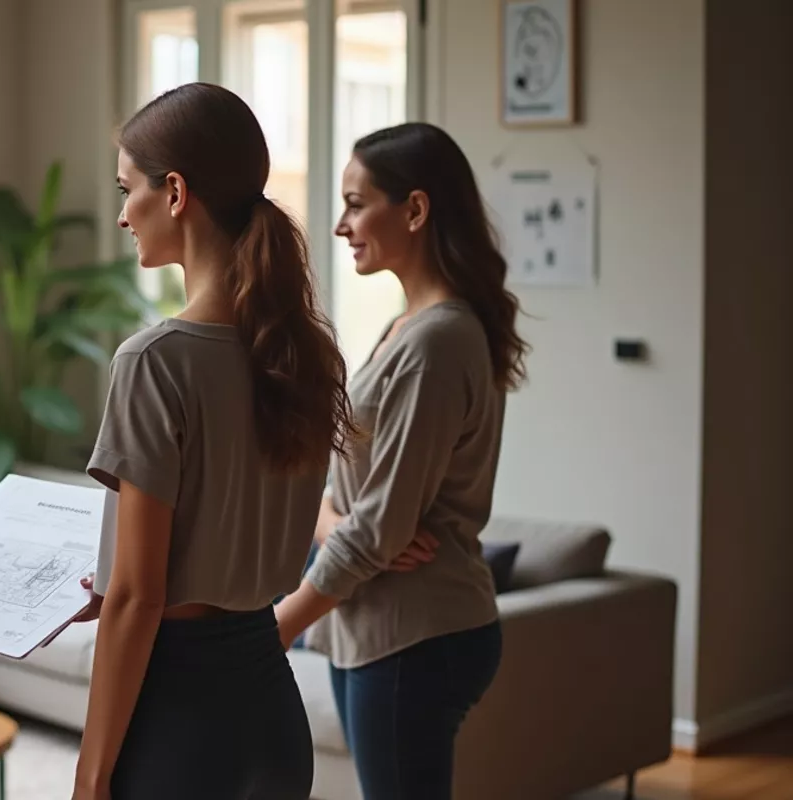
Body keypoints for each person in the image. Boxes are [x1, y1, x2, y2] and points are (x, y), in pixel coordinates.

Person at [70, 82, 354, 800]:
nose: (121, 213)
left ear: (174, 192)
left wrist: (90, 773)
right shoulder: (309, 357)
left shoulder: (154, 359)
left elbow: (138, 596)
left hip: (178, 725)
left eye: (125, 188)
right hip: (270, 711)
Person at [274, 121, 530, 800]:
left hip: (416, 633)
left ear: (415, 210)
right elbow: (348, 497)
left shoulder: (438, 342)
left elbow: (380, 525)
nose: (340, 224)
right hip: (376, 626)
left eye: (357, 203)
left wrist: (279, 626)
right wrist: (331, 523)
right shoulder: (404, 328)